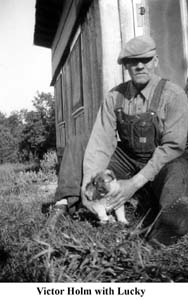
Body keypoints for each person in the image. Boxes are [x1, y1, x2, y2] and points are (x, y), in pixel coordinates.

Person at [52, 35, 188, 245]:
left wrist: (134, 184)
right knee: (80, 141)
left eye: (146, 59)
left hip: (161, 160)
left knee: (179, 169)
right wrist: (88, 183)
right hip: (126, 157)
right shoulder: (114, 96)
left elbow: (173, 146)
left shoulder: (174, 95)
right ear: (125, 65)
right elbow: (101, 141)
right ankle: (64, 204)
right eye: (133, 61)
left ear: (156, 61)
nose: (140, 66)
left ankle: (168, 223)